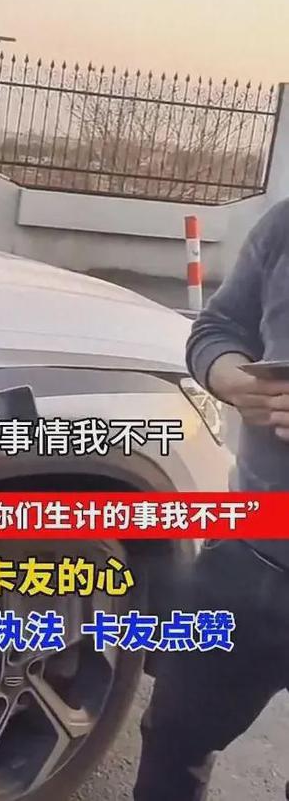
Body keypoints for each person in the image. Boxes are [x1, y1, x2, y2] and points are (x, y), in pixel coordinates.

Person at [133, 199, 289, 800]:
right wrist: (230, 376)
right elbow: (218, 329)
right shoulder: (284, 226)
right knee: (173, 742)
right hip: (244, 560)